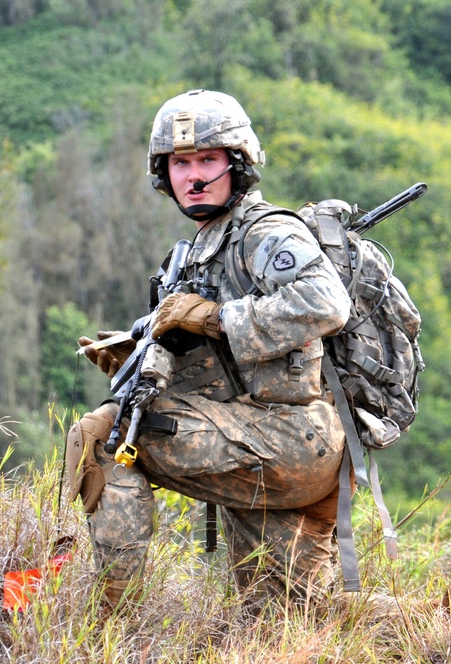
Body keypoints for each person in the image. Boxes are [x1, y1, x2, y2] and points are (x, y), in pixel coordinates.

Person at [66, 89, 350, 611]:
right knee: (289, 623)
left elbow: (327, 303)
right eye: (180, 163)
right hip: (256, 444)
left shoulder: (265, 233)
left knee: (104, 435)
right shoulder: (194, 252)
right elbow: (217, 361)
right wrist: (137, 353)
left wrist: (218, 318)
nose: (193, 176)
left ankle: (111, 624)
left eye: (208, 160)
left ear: (237, 166)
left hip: (288, 437)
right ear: (164, 174)